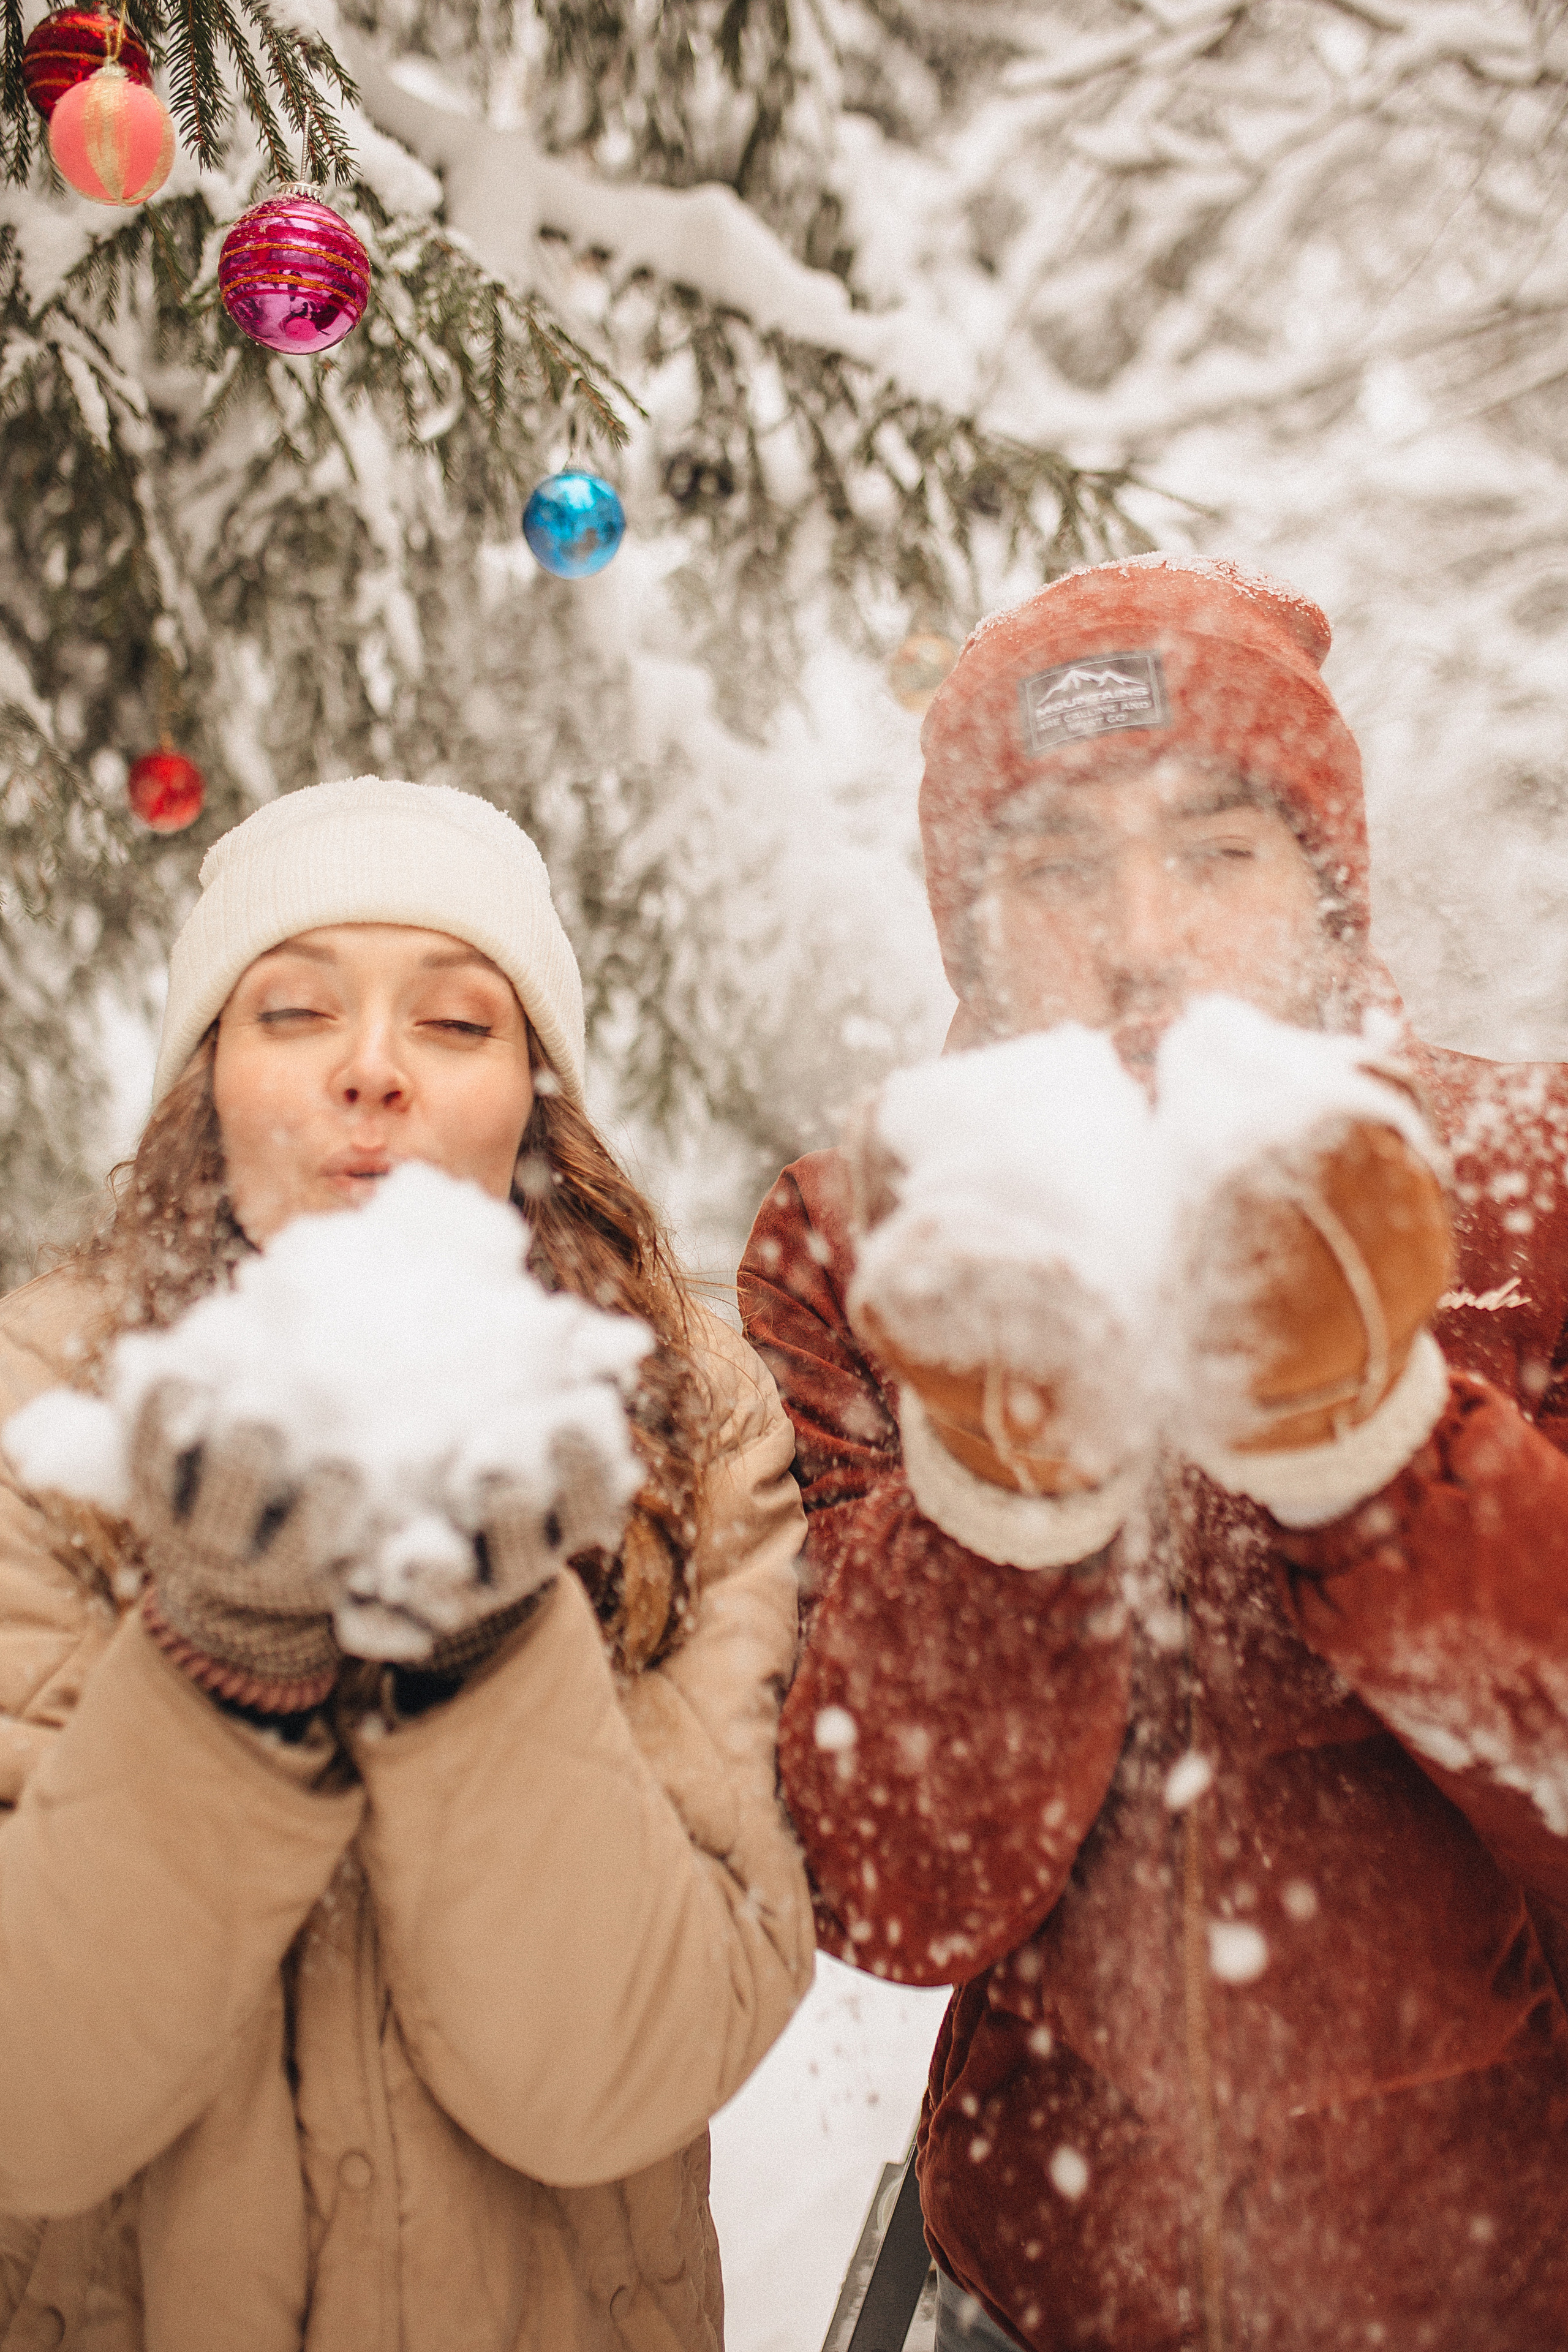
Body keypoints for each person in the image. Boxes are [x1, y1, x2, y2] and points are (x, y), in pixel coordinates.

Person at [740, 557, 1568, 2351]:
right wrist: (999, 1499)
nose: (1139, 934)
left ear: (1326, 889)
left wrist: (1382, 1451)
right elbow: (888, 1894)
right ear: (967, 927)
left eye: (1213, 848)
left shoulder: (1528, 1188)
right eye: (1054, 866)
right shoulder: (863, 1244)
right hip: (1041, 2288)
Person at [0, 775, 813, 2352]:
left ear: (535, 1100)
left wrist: (481, 1657)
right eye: (295, 1011)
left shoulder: (683, 1418)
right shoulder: (41, 1410)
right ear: (205, 1081)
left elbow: (627, 2070)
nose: (371, 1069)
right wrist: (225, 1668)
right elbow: (30, 2105)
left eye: (453, 1024)